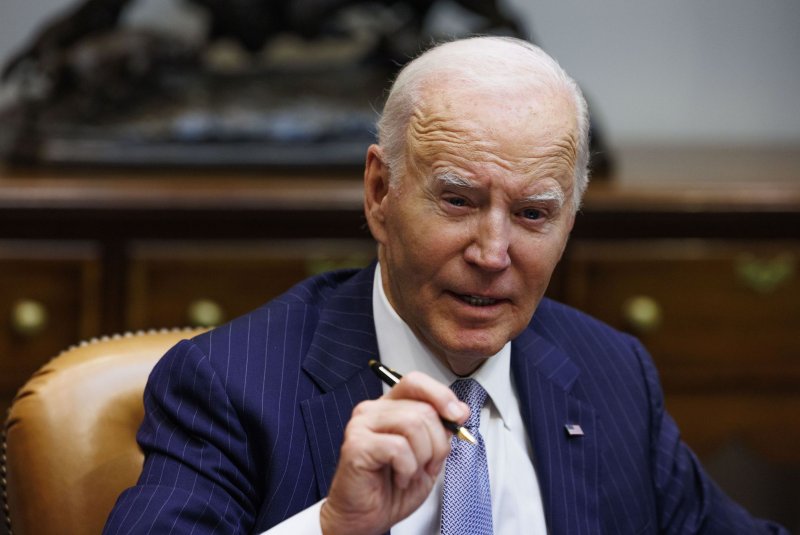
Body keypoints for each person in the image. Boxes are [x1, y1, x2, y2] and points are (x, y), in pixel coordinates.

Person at [104, 36, 787, 534]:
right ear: (380, 192)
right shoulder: (228, 383)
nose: (493, 253)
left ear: (570, 222)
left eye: (532, 214)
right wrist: (334, 527)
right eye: (457, 201)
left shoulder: (612, 373)